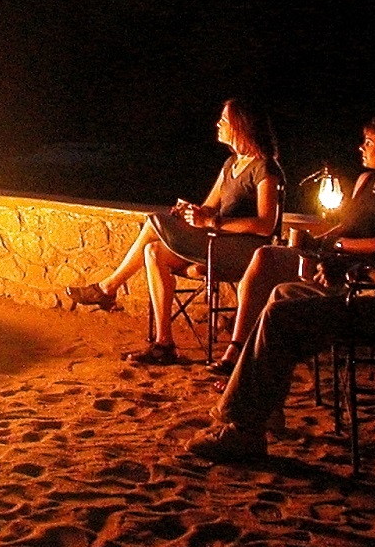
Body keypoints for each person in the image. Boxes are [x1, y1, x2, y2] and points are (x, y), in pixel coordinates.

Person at [186, 111, 375, 463]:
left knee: (281, 316)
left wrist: (354, 274)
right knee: (283, 293)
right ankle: (260, 408)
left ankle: (241, 429)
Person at [66, 98, 283, 365]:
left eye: (224, 120)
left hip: (244, 251)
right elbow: (208, 208)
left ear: (241, 126)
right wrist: (193, 213)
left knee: (153, 221)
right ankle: (163, 344)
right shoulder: (231, 165)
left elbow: (265, 225)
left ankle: (107, 287)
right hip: (216, 243)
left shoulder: (265, 168)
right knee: (153, 251)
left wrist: (213, 224)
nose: (218, 124)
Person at [204, 112, 375, 377]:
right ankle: (242, 346)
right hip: (333, 254)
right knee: (266, 259)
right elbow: (346, 223)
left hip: (356, 267)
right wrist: (320, 239)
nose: (361, 147)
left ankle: (241, 350)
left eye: (368, 141)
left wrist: (338, 245)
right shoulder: (366, 180)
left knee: (267, 260)